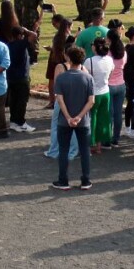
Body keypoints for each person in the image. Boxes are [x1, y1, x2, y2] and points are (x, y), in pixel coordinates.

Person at [52, 45, 95, 191]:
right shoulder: (88, 78)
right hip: (83, 121)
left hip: (64, 121)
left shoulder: (62, 78)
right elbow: (91, 101)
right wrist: (79, 117)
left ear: (68, 58)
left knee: (63, 150)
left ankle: (63, 180)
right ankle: (86, 180)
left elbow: (60, 100)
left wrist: (69, 117)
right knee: (84, 150)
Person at [84, 36, 115, 154]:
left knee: (93, 119)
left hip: (94, 93)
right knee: (103, 119)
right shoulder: (109, 60)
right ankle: (99, 145)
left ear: (95, 47)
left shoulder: (89, 61)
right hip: (105, 91)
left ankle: (91, 143)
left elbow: (86, 76)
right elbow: (111, 74)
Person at [105, 30, 127, 146]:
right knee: (118, 113)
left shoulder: (108, 54)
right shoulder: (123, 52)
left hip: (109, 85)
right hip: (121, 84)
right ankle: (116, 138)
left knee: (109, 113)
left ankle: (107, 138)